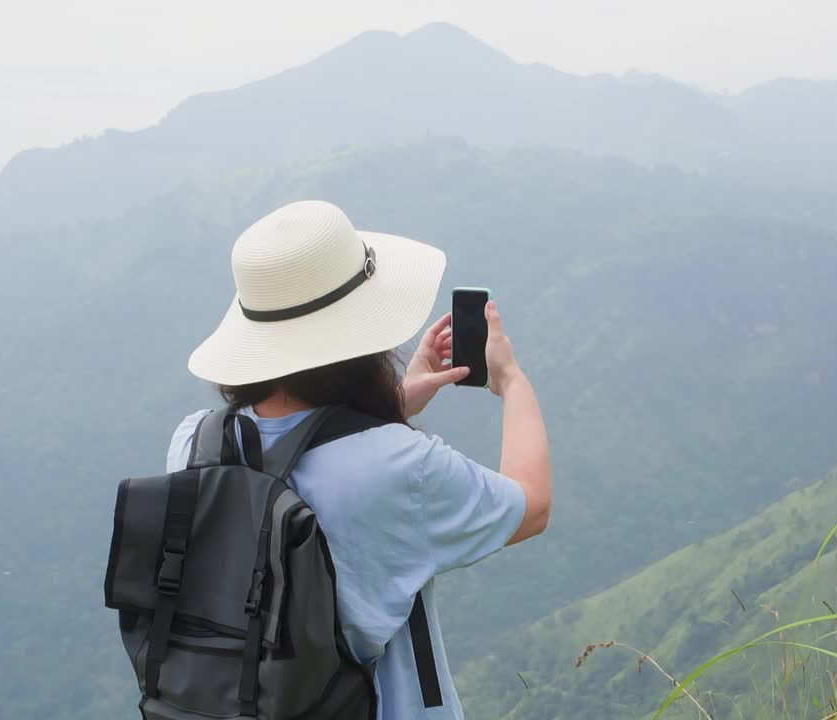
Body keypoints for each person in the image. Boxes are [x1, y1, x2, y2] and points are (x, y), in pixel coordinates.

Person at [167, 199, 551, 719]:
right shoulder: (399, 465)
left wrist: (387, 407)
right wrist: (511, 380)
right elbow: (531, 507)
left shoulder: (194, 444)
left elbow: (295, 451)